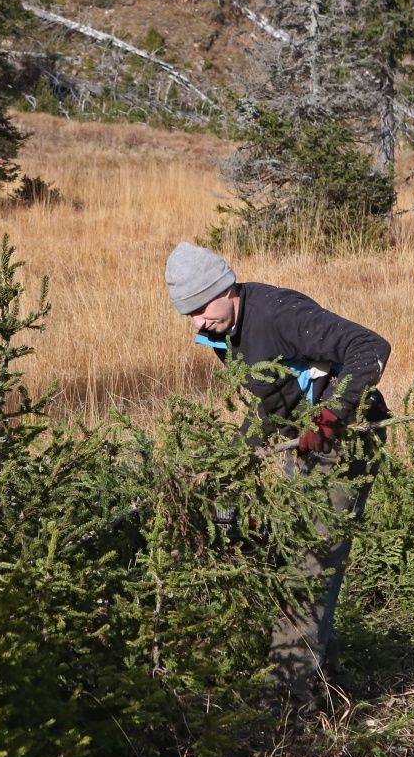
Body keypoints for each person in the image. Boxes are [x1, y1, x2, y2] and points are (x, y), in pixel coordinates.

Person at [164, 240, 392, 699]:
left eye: (201, 308)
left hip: (348, 438)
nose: (196, 323)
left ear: (226, 288)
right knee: (294, 553)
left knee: (307, 560)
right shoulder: (222, 332)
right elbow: (276, 399)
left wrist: (331, 414)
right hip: (304, 443)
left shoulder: (279, 313)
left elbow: (369, 345)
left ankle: (286, 699)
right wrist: (233, 458)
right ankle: (326, 683)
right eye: (187, 314)